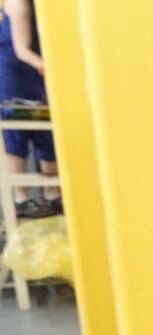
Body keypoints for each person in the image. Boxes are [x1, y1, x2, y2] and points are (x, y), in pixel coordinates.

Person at [0, 0, 59, 217]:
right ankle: (21, 198)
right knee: (18, 133)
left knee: (43, 133)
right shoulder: (18, 3)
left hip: (26, 77)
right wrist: (50, 69)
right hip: (17, 79)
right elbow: (21, 50)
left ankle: (52, 192)